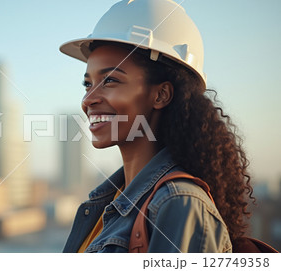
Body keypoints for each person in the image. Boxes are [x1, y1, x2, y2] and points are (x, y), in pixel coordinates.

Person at [59, 0, 253, 253]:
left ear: (161, 95)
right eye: (88, 84)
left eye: (110, 80)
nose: (88, 99)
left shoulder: (178, 204)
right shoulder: (106, 203)